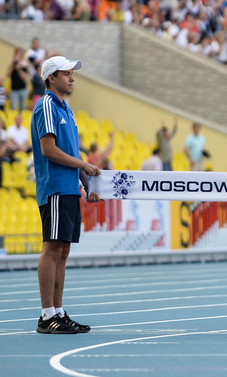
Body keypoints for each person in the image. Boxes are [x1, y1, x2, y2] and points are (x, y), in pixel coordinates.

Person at [31, 56, 102, 334]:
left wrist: (87, 182)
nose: (72, 78)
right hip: (55, 188)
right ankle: (47, 314)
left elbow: (73, 153)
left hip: (70, 188)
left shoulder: (67, 111)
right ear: (52, 78)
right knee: (52, 248)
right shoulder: (47, 106)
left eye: (72, 74)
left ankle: (58, 312)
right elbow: (49, 150)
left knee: (63, 250)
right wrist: (83, 166)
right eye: (67, 73)